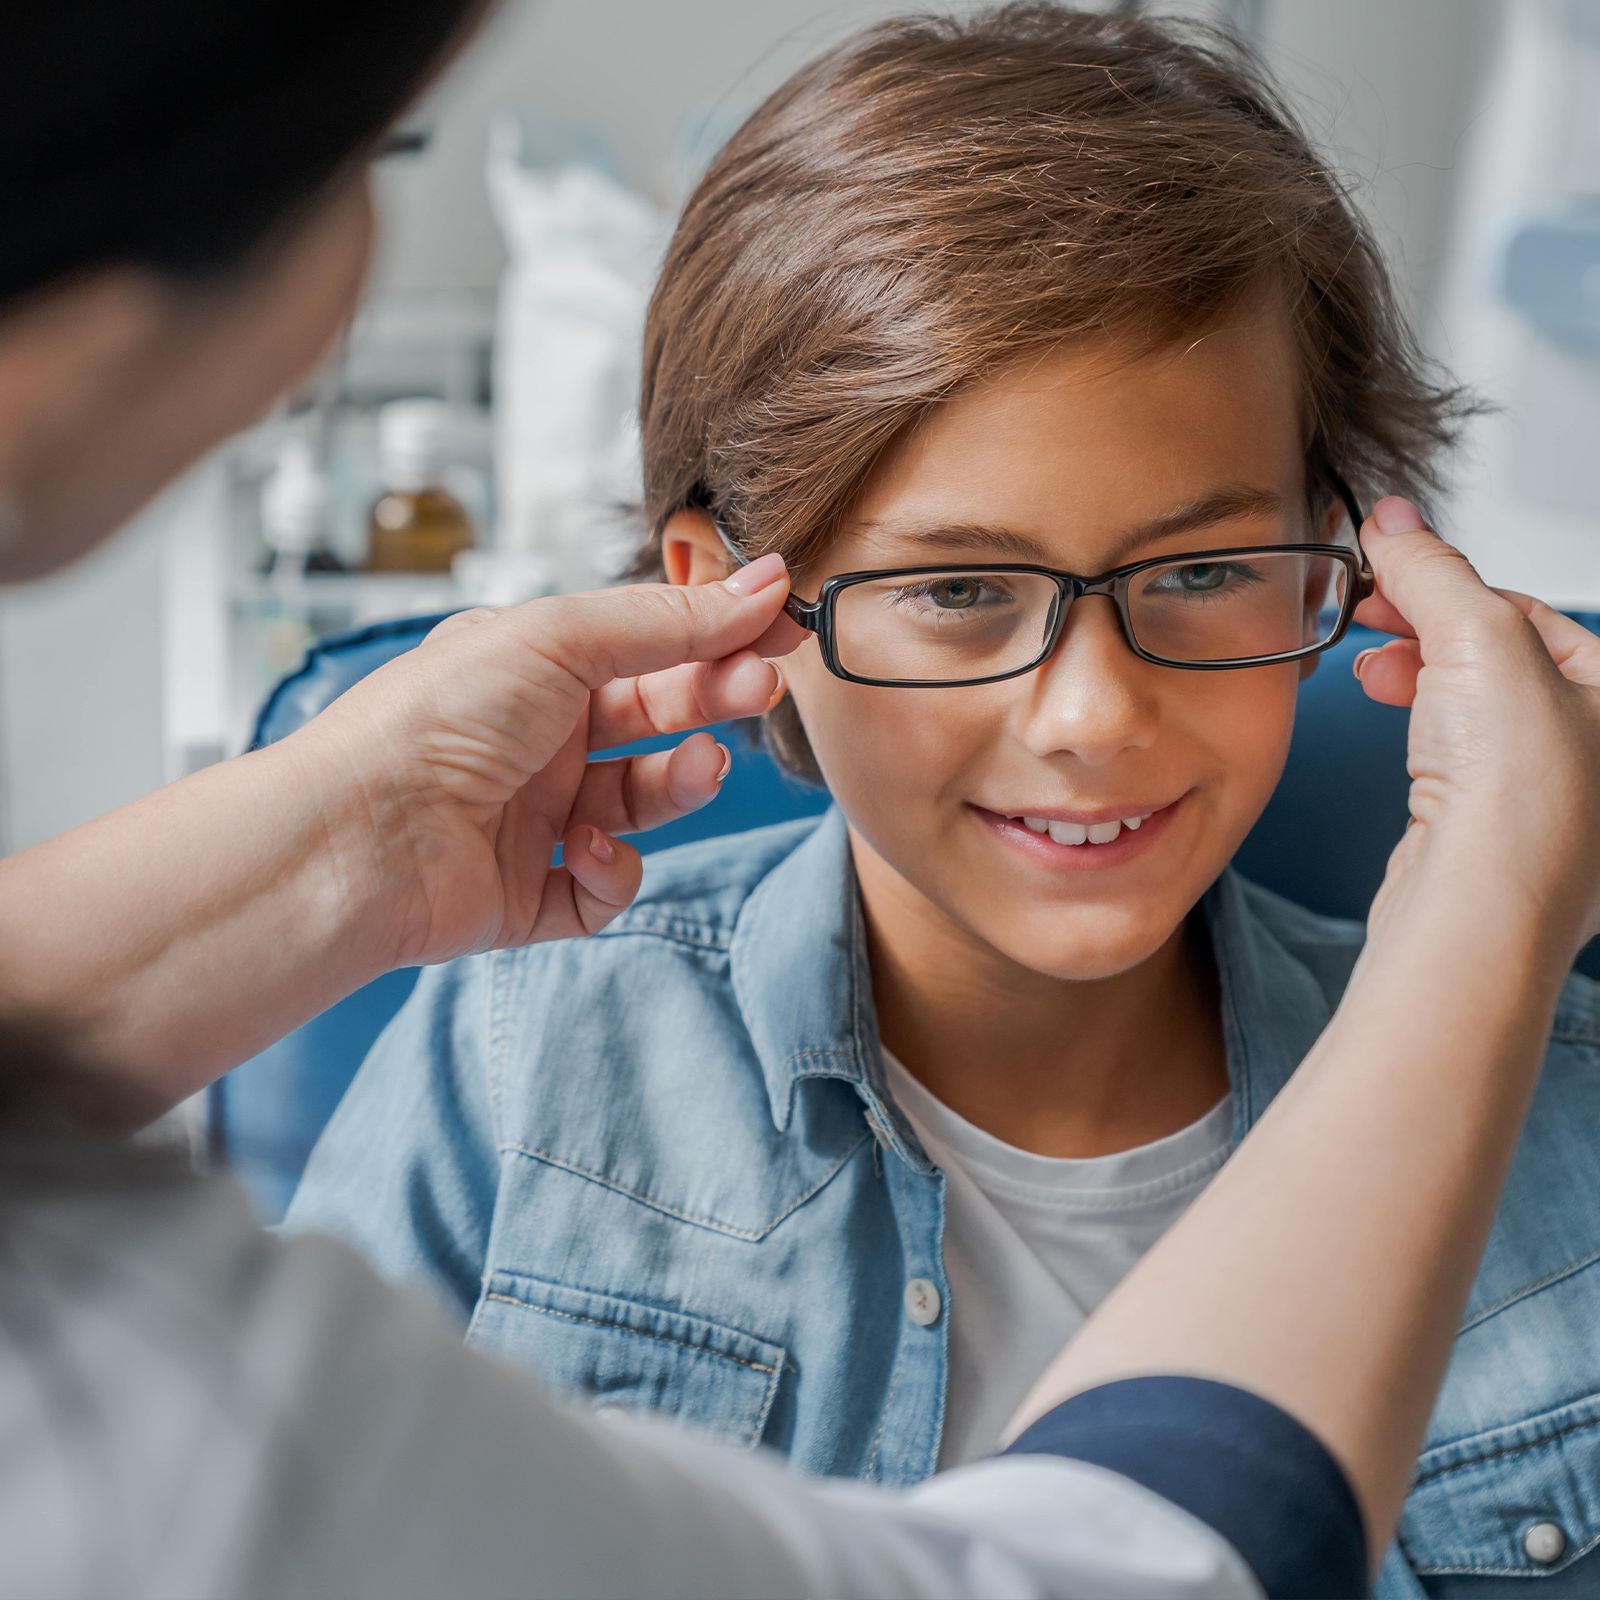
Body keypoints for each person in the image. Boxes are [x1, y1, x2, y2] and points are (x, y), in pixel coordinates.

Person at [3, 2, 1600, 1597]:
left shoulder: (1569, 1121)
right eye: (962, 590)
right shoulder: (527, 1067)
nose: (1096, 716)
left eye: (1201, 572)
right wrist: (1493, 912)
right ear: (736, 605)